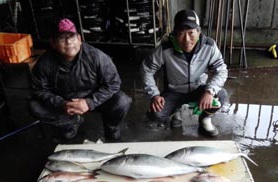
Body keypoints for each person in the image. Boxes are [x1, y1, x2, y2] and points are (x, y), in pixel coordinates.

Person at [29, 18, 132, 141]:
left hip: (94, 98)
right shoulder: (45, 63)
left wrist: (89, 102)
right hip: (64, 103)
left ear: (79, 39)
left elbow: (113, 83)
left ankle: (111, 128)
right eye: (62, 38)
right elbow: (39, 90)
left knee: (122, 100)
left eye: (72, 37)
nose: (68, 42)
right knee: (33, 106)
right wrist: (62, 104)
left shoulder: (96, 56)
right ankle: (70, 123)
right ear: (53, 43)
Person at [140, 9, 228, 137]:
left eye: (191, 33)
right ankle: (178, 111)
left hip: (199, 89)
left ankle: (205, 119)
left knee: (220, 95)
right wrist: (154, 94)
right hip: (174, 91)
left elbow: (221, 70)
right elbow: (146, 70)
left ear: (198, 31)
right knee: (155, 114)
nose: (186, 39)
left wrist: (209, 91)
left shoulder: (209, 46)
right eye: (181, 33)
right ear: (175, 33)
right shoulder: (165, 48)